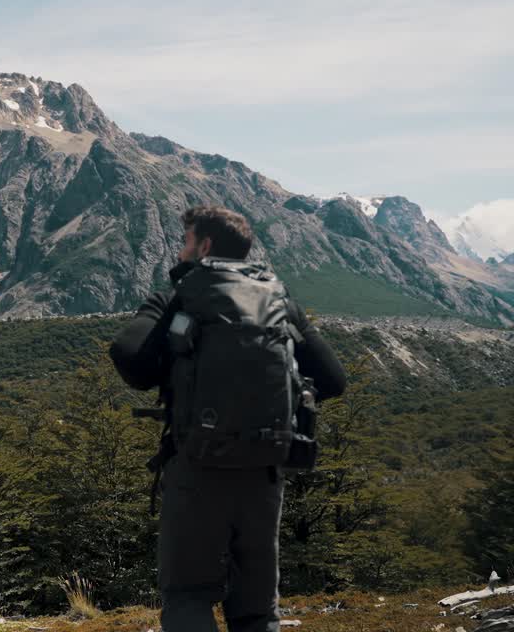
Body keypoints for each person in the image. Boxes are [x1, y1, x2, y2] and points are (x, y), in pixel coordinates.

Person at [110, 205, 347, 632]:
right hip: (265, 469)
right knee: (257, 611)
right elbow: (333, 379)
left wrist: (179, 371)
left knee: (188, 597)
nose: (181, 252)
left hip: (197, 467)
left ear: (204, 246)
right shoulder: (278, 298)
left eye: (185, 242)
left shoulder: (183, 294)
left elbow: (129, 358)